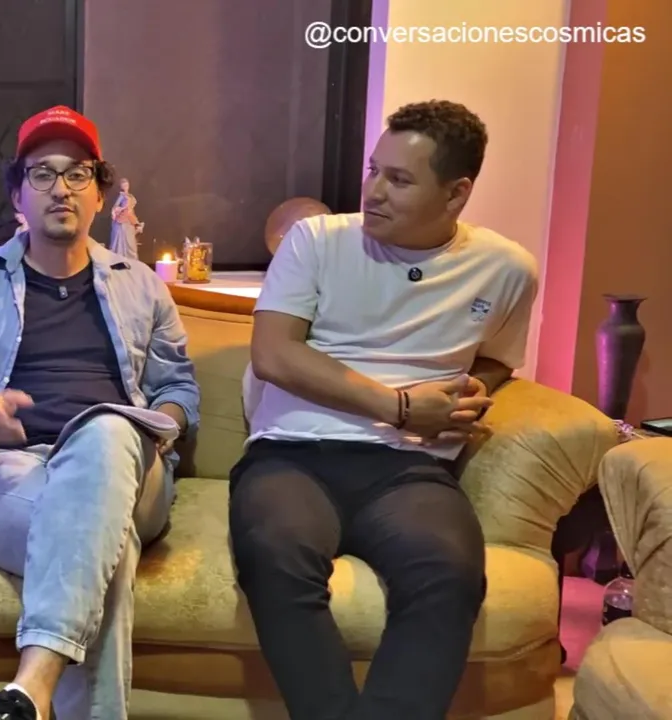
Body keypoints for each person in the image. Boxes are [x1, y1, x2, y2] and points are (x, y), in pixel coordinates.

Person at [229, 99, 538, 720]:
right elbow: (274, 354)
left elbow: (498, 359)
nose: (373, 191)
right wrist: (398, 406)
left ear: (456, 194)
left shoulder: (506, 269)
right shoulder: (317, 241)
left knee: (450, 574)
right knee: (275, 554)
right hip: (292, 453)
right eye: (373, 170)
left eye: (399, 180)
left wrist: (474, 388)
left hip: (409, 470)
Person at [0, 106, 200, 720]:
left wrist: (159, 429)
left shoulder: (142, 284)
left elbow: (179, 388)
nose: (61, 188)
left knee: (108, 428)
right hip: (3, 471)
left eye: (78, 173)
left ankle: (29, 692)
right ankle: (31, 699)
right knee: (103, 546)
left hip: (128, 468)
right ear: (18, 195)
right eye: (42, 173)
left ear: (100, 194)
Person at [108, 178, 142, 259]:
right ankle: (120, 259)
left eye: (127, 185)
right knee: (121, 242)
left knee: (131, 242)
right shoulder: (122, 196)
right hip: (122, 221)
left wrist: (135, 221)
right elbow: (115, 207)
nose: (126, 186)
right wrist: (121, 209)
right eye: (124, 185)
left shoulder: (130, 196)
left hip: (129, 219)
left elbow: (131, 210)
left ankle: (131, 260)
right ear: (121, 186)